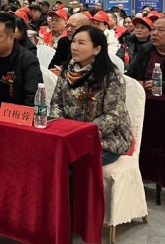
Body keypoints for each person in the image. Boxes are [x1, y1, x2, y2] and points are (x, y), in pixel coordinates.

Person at [50, 25, 133, 165]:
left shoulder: (110, 75)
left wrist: (83, 134)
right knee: (46, 153)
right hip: (69, 135)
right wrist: (62, 128)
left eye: (81, 43)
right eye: (73, 41)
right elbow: (56, 103)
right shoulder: (67, 70)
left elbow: (112, 115)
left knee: (72, 161)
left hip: (106, 139)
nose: (74, 47)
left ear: (97, 49)